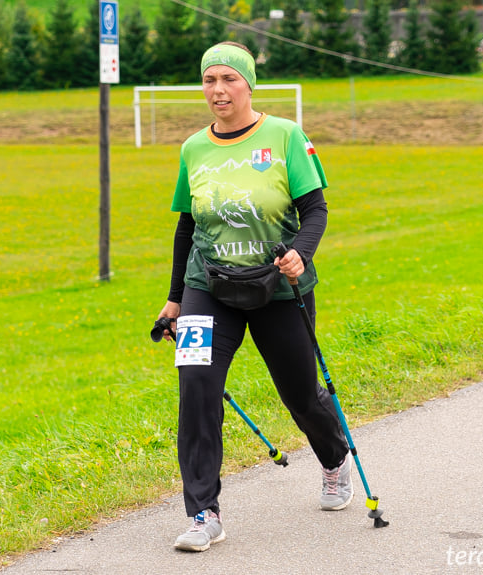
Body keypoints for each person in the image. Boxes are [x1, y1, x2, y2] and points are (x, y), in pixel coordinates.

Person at [156, 42, 352, 553]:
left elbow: (316, 210)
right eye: (209, 80)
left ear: (248, 84)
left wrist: (301, 255)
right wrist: (175, 299)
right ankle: (203, 512)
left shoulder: (286, 136)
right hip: (208, 289)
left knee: (300, 393)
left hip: (278, 288)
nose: (218, 90)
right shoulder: (193, 148)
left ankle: (333, 459)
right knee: (195, 389)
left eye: (229, 80)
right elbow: (186, 228)